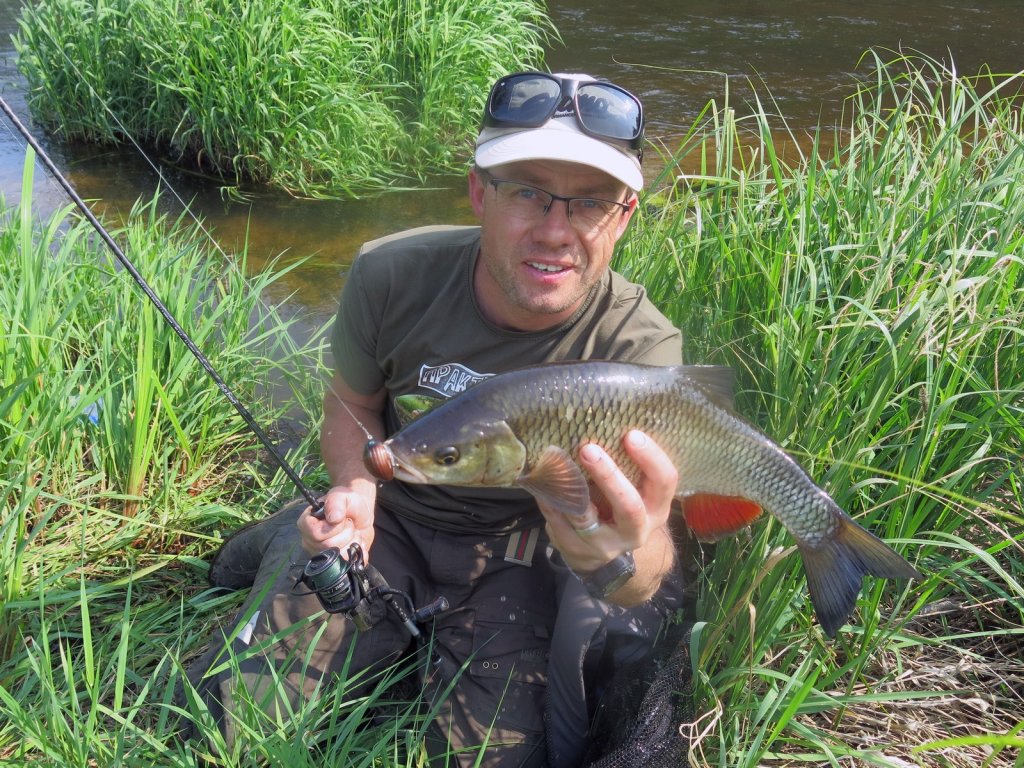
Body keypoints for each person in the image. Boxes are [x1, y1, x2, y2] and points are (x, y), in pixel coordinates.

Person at [185, 70, 692, 767]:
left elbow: (648, 559)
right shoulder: (391, 273)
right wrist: (355, 488)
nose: (555, 231)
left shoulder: (641, 351)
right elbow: (352, 401)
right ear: (479, 191)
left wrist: (623, 565)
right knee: (226, 724)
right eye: (528, 193)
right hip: (390, 517)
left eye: (589, 204)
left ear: (625, 215)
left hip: (518, 560)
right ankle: (288, 554)